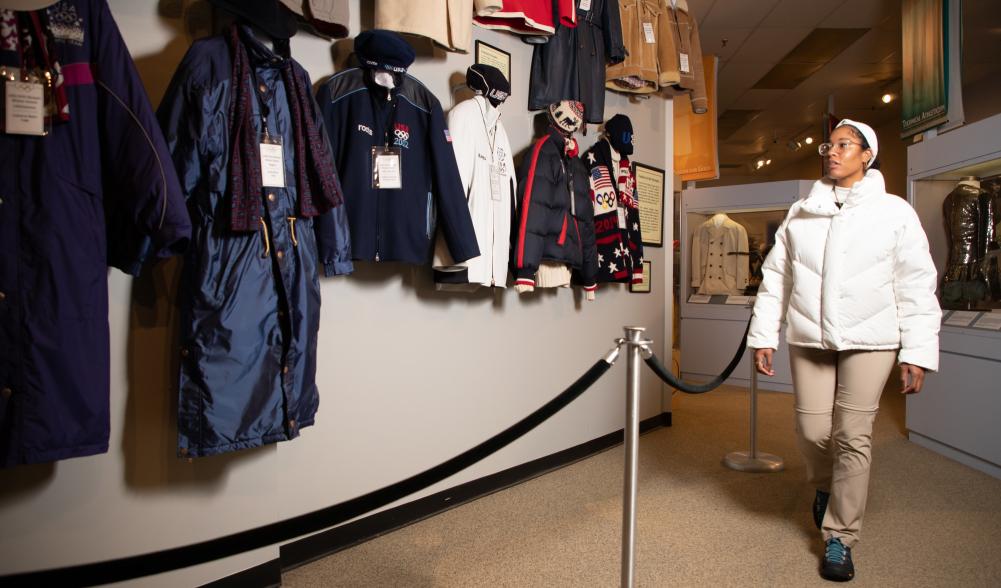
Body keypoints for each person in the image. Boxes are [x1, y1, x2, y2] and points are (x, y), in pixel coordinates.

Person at [747, 119, 941, 582]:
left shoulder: (895, 213)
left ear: (867, 155)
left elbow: (916, 283)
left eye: (843, 145)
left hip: (871, 339)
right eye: (828, 145)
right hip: (810, 336)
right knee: (813, 429)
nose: (831, 152)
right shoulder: (802, 212)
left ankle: (840, 537)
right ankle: (823, 486)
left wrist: (916, 350)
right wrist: (764, 335)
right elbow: (778, 278)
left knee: (854, 433)